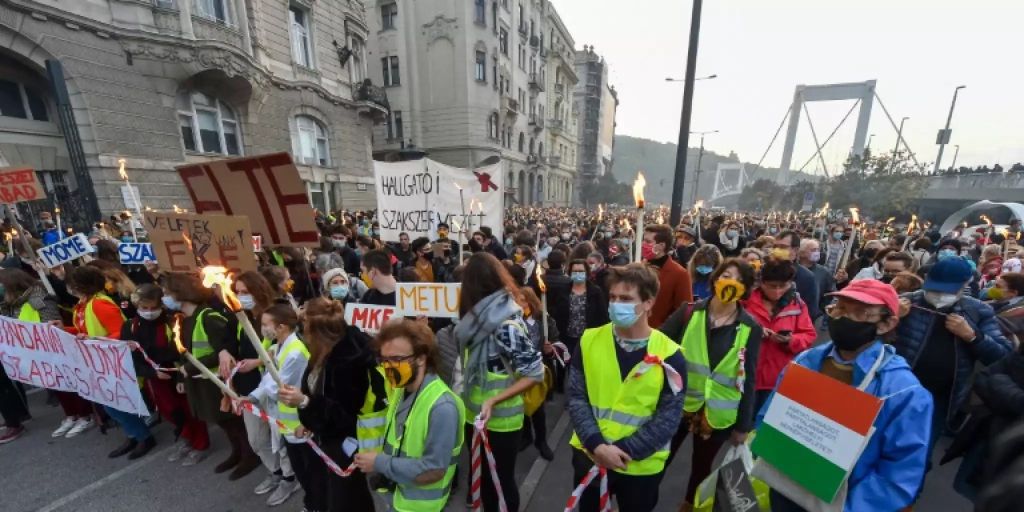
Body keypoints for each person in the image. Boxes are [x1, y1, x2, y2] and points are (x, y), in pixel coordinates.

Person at [759, 279, 933, 511]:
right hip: (783, 488)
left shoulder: (901, 392)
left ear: (887, 323)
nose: (843, 318)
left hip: (841, 504)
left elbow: (898, 475)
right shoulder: (806, 362)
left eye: (860, 313)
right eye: (839, 308)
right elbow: (768, 417)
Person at [567, 263, 687, 512]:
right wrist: (598, 446)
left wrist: (621, 451)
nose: (616, 304)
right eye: (613, 297)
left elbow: (669, 417)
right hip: (590, 454)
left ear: (648, 303)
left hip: (639, 466)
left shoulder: (670, 355)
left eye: (625, 298)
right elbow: (577, 396)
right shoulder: (589, 341)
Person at [895, 257, 1012, 477]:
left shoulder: (977, 312)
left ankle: (909, 492)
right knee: (881, 442)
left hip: (939, 399)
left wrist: (973, 336)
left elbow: (1003, 357)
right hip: (896, 391)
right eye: (935, 289)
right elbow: (870, 340)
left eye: (946, 290)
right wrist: (893, 318)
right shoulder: (907, 302)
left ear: (964, 285)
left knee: (919, 452)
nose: (938, 296)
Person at [659, 258, 762, 511]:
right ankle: (639, 501)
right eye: (727, 275)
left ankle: (688, 505)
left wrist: (743, 425)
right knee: (660, 456)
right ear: (716, 279)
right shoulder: (689, 312)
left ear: (746, 288)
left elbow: (748, 377)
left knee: (701, 466)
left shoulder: (750, 327)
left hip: (717, 413)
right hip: (680, 403)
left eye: (739, 280)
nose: (731, 283)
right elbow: (656, 344)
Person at [453, 253, 543, 512]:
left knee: (500, 483)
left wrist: (494, 399)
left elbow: (534, 373)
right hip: (475, 417)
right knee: (484, 484)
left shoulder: (505, 325)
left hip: (502, 423)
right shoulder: (474, 321)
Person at [277, 298, 380, 511]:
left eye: (304, 326)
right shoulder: (322, 351)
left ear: (317, 331)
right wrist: (309, 421)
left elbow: (344, 416)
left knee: (348, 498)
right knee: (334, 492)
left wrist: (305, 402)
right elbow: (315, 388)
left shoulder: (348, 362)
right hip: (326, 438)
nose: (301, 332)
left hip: (346, 443)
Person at [353, 320, 465, 512]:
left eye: (397, 359)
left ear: (421, 358)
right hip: (397, 500)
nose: (389, 367)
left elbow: (434, 470)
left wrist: (379, 462)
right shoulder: (400, 389)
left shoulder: (442, 407)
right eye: (384, 360)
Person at [162, 272, 259, 478]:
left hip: (217, 382)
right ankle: (237, 452)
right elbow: (184, 353)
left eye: (167, 293)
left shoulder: (208, 316)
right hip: (200, 382)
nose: (165, 298)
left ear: (180, 293)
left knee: (232, 421)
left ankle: (250, 455)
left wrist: (190, 369)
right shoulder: (183, 320)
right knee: (221, 422)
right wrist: (181, 377)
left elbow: (224, 351)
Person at [123, 284, 210, 465]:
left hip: (178, 373)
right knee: (170, 412)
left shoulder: (174, 322)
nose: (149, 312)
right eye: (144, 308)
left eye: (154, 308)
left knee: (189, 410)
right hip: (154, 378)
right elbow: (130, 358)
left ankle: (200, 444)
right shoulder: (130, 327)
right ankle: (186, 437)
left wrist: (180, 376)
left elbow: (184, 352)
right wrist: (152, 373)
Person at [232, 272, 298, 499]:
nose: (240, 296)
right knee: (259, 440)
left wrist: (259, 363)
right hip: (254, 389)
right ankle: (276, 472)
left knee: (281, 439)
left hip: (275, 395)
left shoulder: (277, 320)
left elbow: (276, 358)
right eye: (237, 291)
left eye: (245, 292)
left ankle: (290, 478)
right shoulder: (242, 317)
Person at [245, 304, 306, 507]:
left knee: (300, 459)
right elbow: (267, 380)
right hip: (278, 411)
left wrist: (254, 397)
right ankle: (290, 480)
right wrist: (253, 397)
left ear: (281, 327)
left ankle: (299, 487)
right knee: (281, 448)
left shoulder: (295, 352)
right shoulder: (277, 347)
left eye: (265, 325)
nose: (262, 329)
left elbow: (276, 385)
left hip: (294, 416)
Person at [741, 258, 816, 411]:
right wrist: (753, 332)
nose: (777, 291)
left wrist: (790, 340)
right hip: (743, 375)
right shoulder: (745, 301)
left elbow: (809, 335)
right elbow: (731, 326)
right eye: (772, 286)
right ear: (761, 282)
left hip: (776, 378)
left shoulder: (798, 304)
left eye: (783, 286)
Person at [0, 268, 60, 443]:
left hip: (45, 351)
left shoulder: (38, 298)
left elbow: (51, 323)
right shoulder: (10, 303)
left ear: (12, 285)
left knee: (64, 386)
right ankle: (73, 414)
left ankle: (82, 415)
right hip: (27, 351)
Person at [548, 259, 609, 354]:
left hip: (589, 337)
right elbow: (555, 312)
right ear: (570, 273)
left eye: (581, 271)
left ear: (586, 273)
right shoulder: (562, 291)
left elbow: (603, 315)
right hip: (567, 338)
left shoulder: (595, 292)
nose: (578, 274)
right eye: (575, 271)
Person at [642, 225, 693, 328]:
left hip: (660, 333)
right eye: (643, 241)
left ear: (661, 246)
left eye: (648, 242)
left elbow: (683, 312)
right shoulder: (639, 267)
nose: (643, 244)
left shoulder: (679, 274)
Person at [770, 231, 821, 320]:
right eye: (775, 247)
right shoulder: (764, 271)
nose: (777, 251)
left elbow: (810, 313)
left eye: (783, 247)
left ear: (796, 250)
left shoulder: (806, 277)